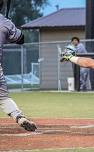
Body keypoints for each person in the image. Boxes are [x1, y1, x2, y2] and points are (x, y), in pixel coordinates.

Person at [0, 0, 36, 131]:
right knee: (3, 97)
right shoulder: (5, 22)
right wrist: (9, 27)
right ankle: (19, 117)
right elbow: (21, 39)